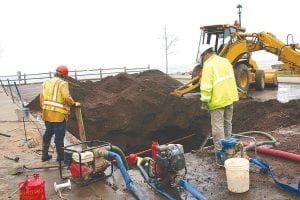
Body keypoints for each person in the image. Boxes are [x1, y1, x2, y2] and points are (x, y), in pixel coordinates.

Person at [199, 44, 239, 152]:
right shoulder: (225, 61)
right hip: (229, 97)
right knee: (227, 123)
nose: (203, 59)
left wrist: (204, 101)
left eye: (203, 56)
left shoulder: (209, 64)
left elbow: (206, 86)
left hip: (218, 100)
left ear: (206, 54)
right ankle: (229, 148)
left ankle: (220, 152)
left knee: (217, 128)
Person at [40, 65, 80, 162]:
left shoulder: (46, 82)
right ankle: (60, 157)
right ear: (65, 75)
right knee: (59, 136)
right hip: (58, 115)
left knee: (48, 134)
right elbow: (66, 97)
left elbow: (41, 97)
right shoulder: (62, 83)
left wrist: (45, 109)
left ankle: (44, 155)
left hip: (47, 113)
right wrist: (73, 103)